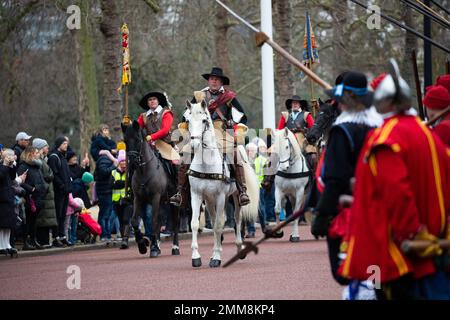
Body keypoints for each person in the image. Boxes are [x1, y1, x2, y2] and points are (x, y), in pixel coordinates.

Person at [339, 63, 450, 299]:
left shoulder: (387, 138)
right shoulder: (426, 134)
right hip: (431, 242)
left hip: (398, 253)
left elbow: (397, 194)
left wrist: (412, 232)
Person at [310, 71, 383, 285]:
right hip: (379, 212)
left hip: (350, 215)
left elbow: (335, 179)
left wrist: (322, 214)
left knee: (348, 274)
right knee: (375, 274)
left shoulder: (343, 132)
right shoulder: (380, 128)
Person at [170, 67, 250, 207]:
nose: (214, 81)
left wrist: (233, 123)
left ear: (221, 82)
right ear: (208, 80)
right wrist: (189, 123)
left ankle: (242, 191)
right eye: (212, 79)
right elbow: (186, 114)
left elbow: (242, 116)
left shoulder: (229, 96)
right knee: (186, 153)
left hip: (221, 130)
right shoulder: (199, 95)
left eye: (217, 79)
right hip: (201, 130)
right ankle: (179, 192)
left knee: (234, 153)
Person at [17, 147, 49, 250]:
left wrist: (44, 188)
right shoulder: (23, 166)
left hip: (39, 197)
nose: (38, 154)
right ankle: (26, 242)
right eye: (36, 153)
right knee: (28, 221)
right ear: (30, 154)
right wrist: (32, 189)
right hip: (29, 197)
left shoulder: (37, 166)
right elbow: (21, 182)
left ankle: (33, 240)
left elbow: (41, 179)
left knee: (34, 221)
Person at [0, 149, 26, 257]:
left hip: (9, 197)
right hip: (2, 198)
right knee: (2, 224)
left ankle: (7, 244)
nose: (11, 157)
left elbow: (11, 177)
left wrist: (12, 165)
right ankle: (1, 245)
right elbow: (1, 176)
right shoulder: (1, 166)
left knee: (9, 224)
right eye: (9, 155)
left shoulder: (6, 167)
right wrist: (5, 164)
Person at [32, 138, 57, 248]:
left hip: (47, 194)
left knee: (46, 219)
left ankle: (45, 241)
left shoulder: (44, 160)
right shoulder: (39, 162)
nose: (48, 148)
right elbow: (42, 177)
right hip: (44, 194)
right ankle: (43, 241)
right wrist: (46, 186)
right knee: (43, 219)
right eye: (46, 146)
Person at [47, 136, 72, 247]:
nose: (66, 145)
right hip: (58, 192)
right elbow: (55, 175)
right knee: (57, 215)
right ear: (58, 145)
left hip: (65, 191)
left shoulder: (63, 156)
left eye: (66, 143)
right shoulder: (54, 157)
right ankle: (55, 238)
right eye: (64, 143)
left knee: (62, 215)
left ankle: (62, 237)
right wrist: (62, 186)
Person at [94, 146, 119, 243]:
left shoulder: (103, 159)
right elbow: (104, 172)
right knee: (105, 214)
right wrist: (114, 166)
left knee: (106, 213)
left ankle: (106, 234)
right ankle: (104, 235)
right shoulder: (104, 159)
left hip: (105, 190)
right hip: (105, 191)